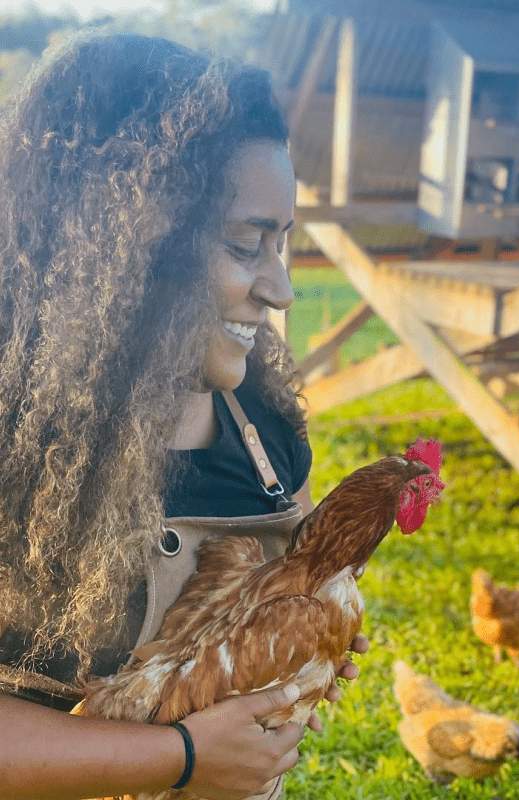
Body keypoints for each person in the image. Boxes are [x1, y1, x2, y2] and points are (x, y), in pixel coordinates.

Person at [0, 31, 367, 800]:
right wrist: (184, 756)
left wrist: (301, 647)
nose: (280, 289)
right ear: (132, 242)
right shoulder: (15, 445)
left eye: (284, 246)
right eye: (245, 245)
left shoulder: (262, 428)